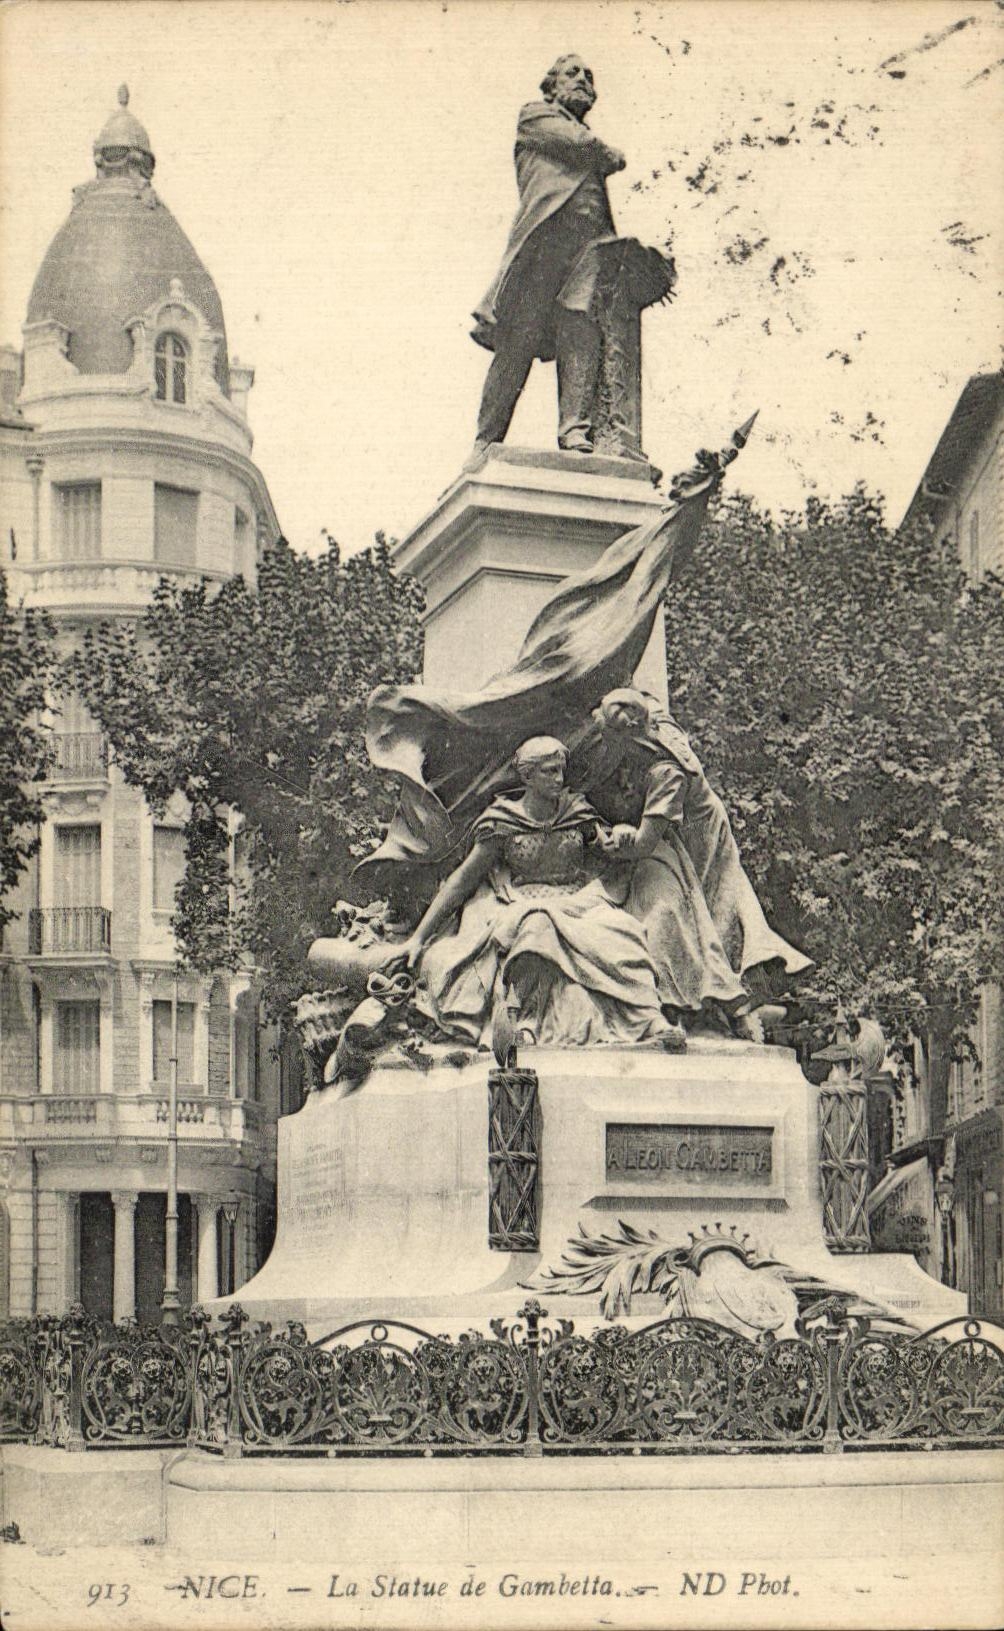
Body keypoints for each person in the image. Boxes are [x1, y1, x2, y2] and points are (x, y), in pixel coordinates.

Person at [395, 737, 683, 1051]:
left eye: (560, 770)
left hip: (579, 901)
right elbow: (461, 881)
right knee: (537, 924)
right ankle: (525, 1022)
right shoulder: (502, 822)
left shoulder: (576, 810)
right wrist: (419, 938)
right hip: (522, 902)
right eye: (549, 772)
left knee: (623, 930)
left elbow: (608, 846)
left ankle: (648, 1017)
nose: (559, 779)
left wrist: (624, 836)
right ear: (528, 777)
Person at [574, 690, 813, 1033]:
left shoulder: (665, 772)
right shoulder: (648, 715)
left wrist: (612, 841)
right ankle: (717, 1002)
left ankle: (718, 1000)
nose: (603, 742)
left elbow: (643, 843)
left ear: (631, 739)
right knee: (693, 910)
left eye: (609, 736)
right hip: (670, 830)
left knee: (705, 910)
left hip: (696, 831)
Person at [470, 53, 626, 458]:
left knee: (582, 329)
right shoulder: (535, 117)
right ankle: (486, 439)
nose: (583, 80)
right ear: (551, 85)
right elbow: (584, 145)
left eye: (589, 76)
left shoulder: (571, 129)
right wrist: (609, 154)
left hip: (589, 247)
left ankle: (575, 430)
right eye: (572, 73)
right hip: (544, 249)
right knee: (517, 342)